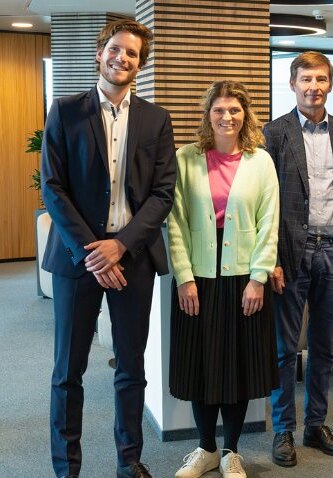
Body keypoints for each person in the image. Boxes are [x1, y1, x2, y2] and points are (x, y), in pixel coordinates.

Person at [41, 19, 176, 478]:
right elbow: (53, 187)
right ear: (101, 53)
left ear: (141, 63)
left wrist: (119, 246)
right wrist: (92, 252)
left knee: (131, 367)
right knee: (68, 370)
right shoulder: (66, 111)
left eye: (132, 53)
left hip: (132, 258)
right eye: (116, 49)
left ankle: (128, 460)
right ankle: (67, 468)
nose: (122, 58)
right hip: (77, 259)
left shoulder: (156, 119)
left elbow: (162, 193)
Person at [264, 51, 333, 468]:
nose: (314, 87)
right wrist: (272, 258)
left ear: (330, 83)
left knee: (324, 348)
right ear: (292, 84)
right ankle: (283, 430)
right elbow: (265, 202)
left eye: (321, 79)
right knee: (284, 350)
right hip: (290, 254)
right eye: (306, 79)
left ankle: (315, 425)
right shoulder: (274, 133)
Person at [167, 81, 280, 478]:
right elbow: (175, 222)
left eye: (234, 110)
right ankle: (206, 449)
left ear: (245, 115)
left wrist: (258, 277)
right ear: (208, 114)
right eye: (219, 110)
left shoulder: (260, 161)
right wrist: (184, 277)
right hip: (198, 277)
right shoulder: (186, 158)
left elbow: (269, 223)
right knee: (200, 367)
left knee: (237, 368)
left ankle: (232, 451)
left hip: (243, 278)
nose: (227, 117)